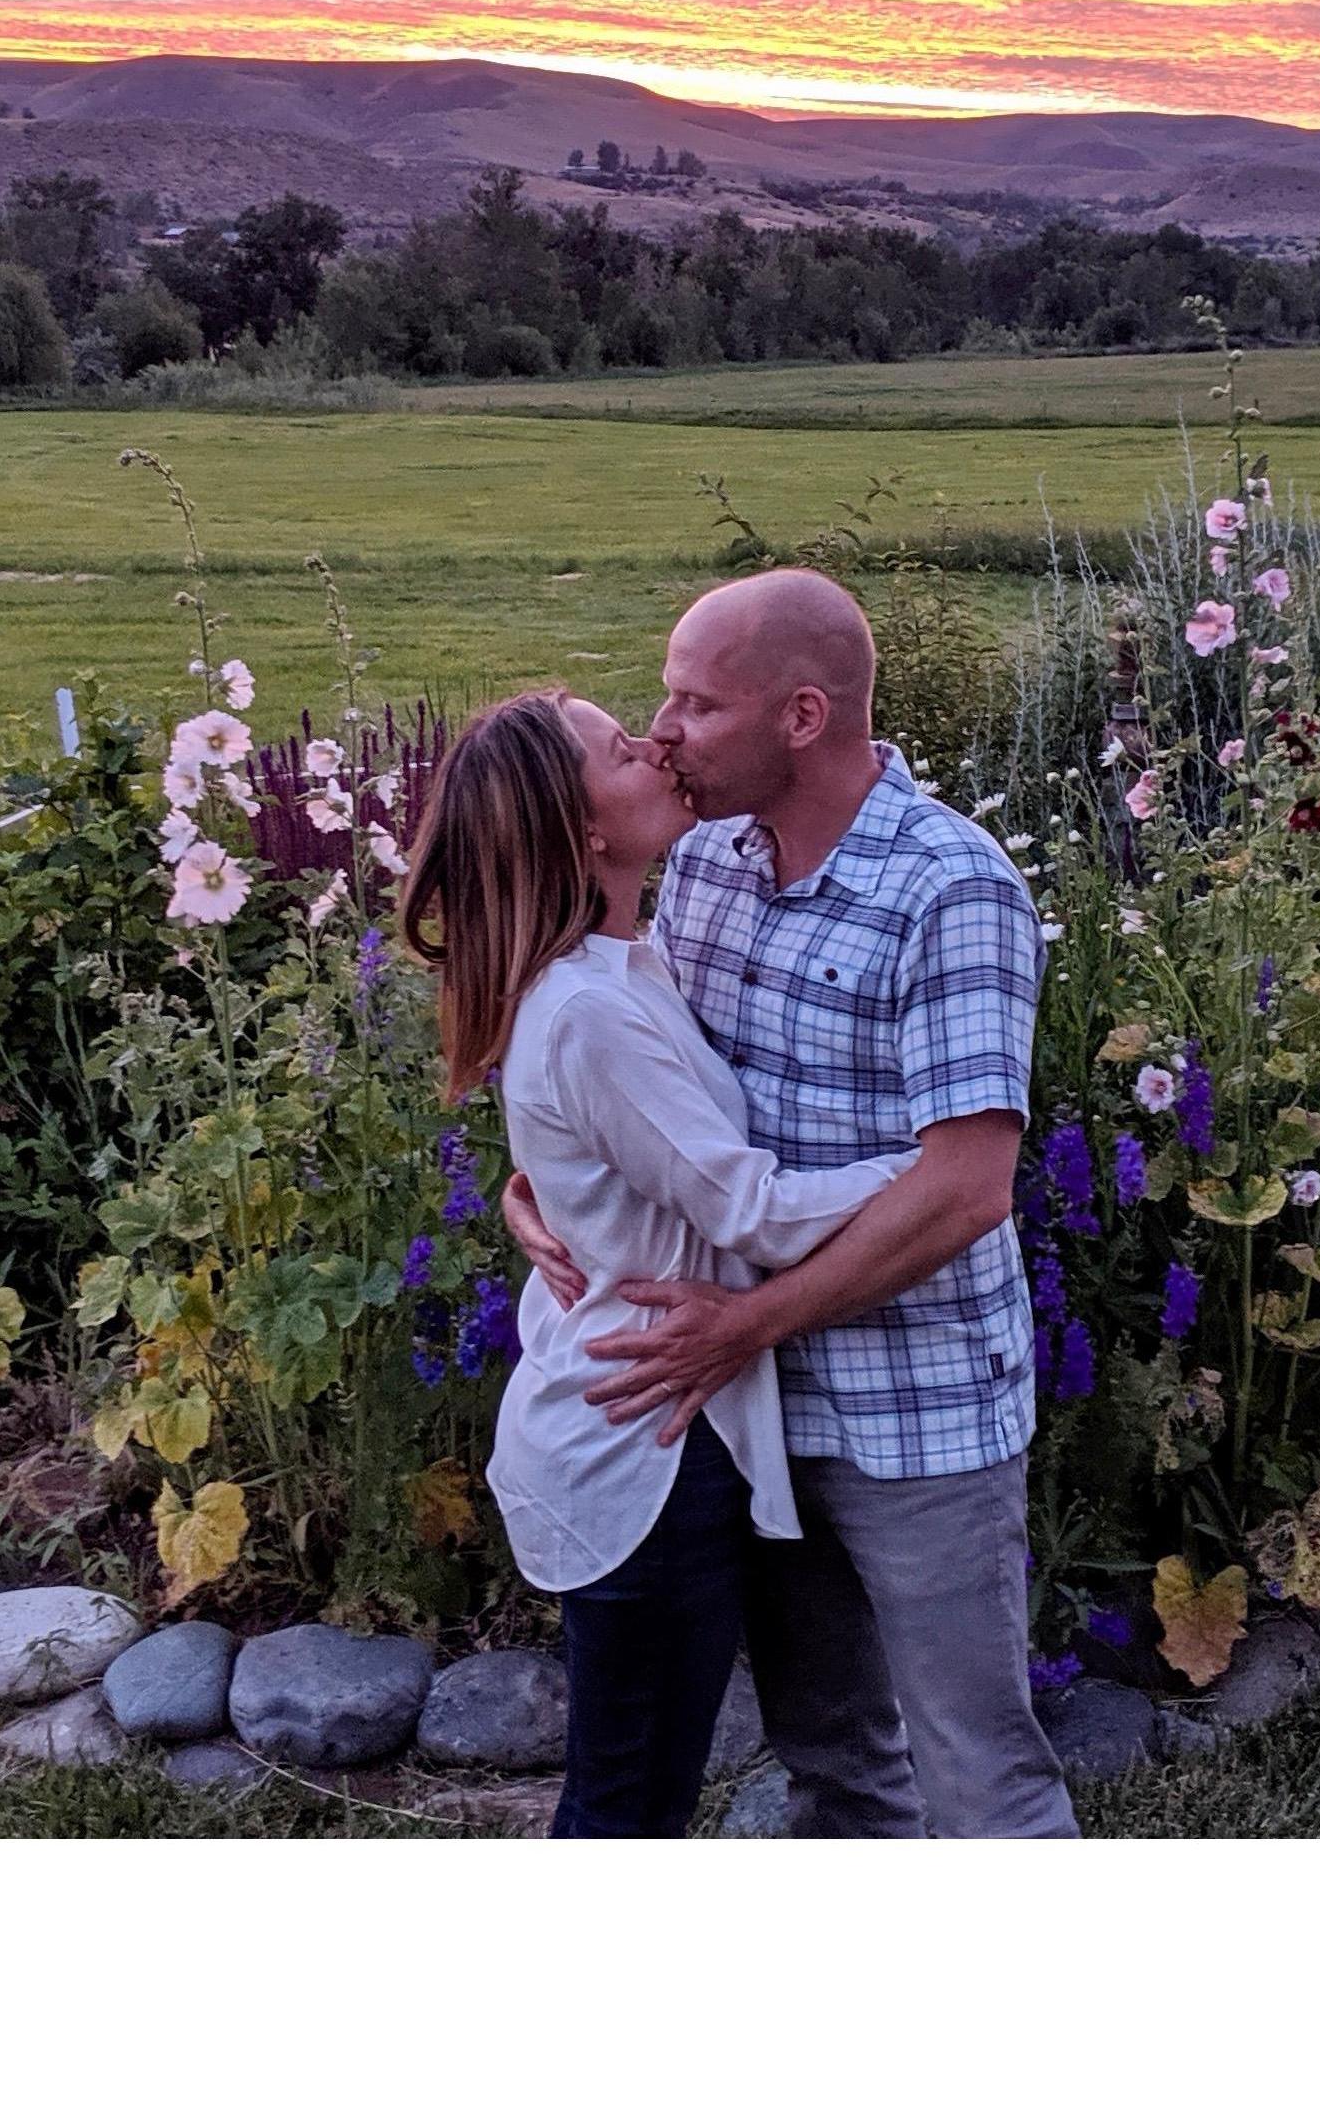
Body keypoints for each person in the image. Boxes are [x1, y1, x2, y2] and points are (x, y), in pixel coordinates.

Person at [501, 569, 1077, 1839]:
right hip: (751, 1419)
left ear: (802, 716)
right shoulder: (703, 861)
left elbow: (965, 1190)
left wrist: (747, 1325)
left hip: (910, 1412)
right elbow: (631, 1083)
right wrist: (532, 1180)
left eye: (697, 705)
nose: (662, 730)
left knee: (982, 1771)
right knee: (833, 1762)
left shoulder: (949, 887)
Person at [399, 687, 911, 1838]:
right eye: (624, 750)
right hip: (647, 1447)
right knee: (628, 1809)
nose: (659, 744)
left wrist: (533, 1195)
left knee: (635, 1794)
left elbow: (612, 1163)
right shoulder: (590, 1008)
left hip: (650, 1413)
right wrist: (931, 1180)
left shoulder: (625, 963)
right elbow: (751, 1211)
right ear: (581, 831)